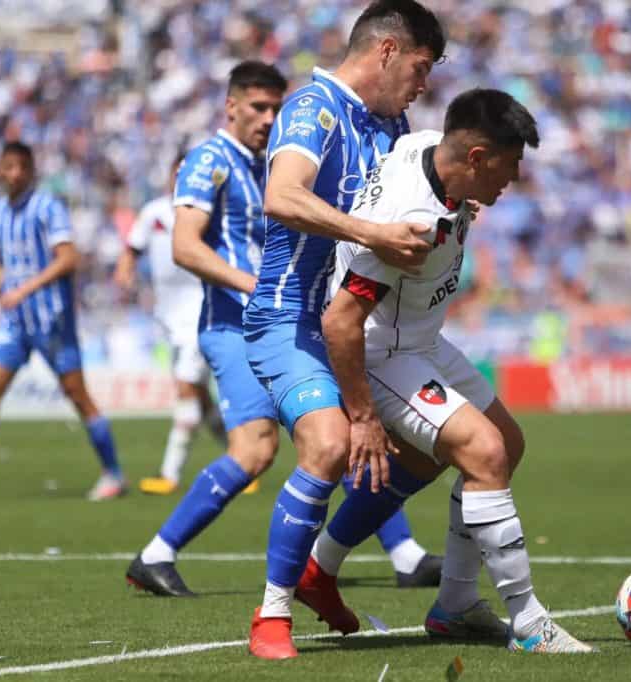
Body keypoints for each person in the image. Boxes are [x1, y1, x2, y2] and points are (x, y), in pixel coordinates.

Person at [124, 61, 439, 598]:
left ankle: (404, 553)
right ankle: (157, 553)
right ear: (230, 107)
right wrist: (255, 285)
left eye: (275, 108)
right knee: (255, 452)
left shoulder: (276, 161)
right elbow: (185, 246)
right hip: (235, 326)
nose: (269, 119)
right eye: (257, 108)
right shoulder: (210, 160)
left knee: (342, 432)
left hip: (297, 321)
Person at [310, 89, 593, 654]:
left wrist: (461, 202)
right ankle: (529, 622)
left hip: (420, 339)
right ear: (477, 157)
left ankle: (446, 603)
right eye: (509, 166)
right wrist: (363, 416)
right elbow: (341, 322)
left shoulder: (427, 149)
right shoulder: (412, 226)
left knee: (504, 445)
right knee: (483, 453)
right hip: (381, 352)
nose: (512, 180)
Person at [242, 0, 446, 660]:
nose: (423, 86)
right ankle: (271, 616)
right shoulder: (312, 107)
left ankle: (319, 572)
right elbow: (282, 196)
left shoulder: (394, 123)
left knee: (427, 446)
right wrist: (373, 232)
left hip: (357, 326)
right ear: (387, 51)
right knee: (330, 444)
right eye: (419, 69)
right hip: (287, 318)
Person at [0, 141, 124, 501]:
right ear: (0, 169)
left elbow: (68, 259)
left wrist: (25, 290)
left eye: (20, 167)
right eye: (8, 166)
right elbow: (4, 265)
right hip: (15, 323)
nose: (14, 173)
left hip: (52, 321)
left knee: (78, 396)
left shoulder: (48, 207)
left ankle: (113, 474)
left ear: (30, 170)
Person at [113, 161, 226, 495]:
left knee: (186, 389)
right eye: (177, 174)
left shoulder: (208, 213)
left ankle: (170, 474)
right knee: (201, 396)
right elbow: (132, 249)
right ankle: (242, 456)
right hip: (168, 317)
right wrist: (124, 271)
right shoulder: (154, 213)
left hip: (200, 311)